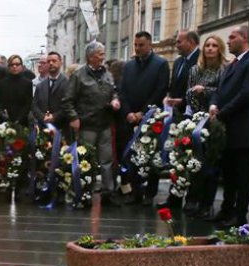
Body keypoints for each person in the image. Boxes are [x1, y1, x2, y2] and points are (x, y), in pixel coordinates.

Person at [209, 25, 249, 227]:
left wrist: (223, 113)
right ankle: (226, 209)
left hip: (242, 129)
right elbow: (219, 89)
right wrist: (214, 105)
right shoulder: (231, 65)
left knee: (242, 176)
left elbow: (248, 93)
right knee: (228, 174)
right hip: (227, 129)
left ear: (244, 38)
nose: (228, 41)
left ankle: (239, 214)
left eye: (232, 37)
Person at [62, 41, 122, 206]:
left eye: (103, 53)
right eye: (100, 54)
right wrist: (74, 118)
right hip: (87, 124)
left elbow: (114, 91)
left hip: (105, 123)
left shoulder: (107, 74)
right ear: (91, 56)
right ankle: (84, 192)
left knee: (107, 160)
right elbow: (67, 101)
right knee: (85, 159)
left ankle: (108, 192)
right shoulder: (78, 75)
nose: (103, 57)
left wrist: (115, 100)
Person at [119, 31, 170, 206]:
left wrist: (143, 112)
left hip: (151, 118)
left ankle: (150, 193)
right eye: (136, 45)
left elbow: (160, 90)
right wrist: (128, 113)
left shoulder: (161, 64)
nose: (138, 48)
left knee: (152, 156)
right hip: (131, 117)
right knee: (133, 156)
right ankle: (136, 192)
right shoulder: (129, 66)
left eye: (141, 45)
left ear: (150, 45)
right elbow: (122, 91)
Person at [184, 35, 228, 219]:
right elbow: (189, 92)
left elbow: (222, 93)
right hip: (196, 118)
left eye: (214, 45)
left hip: (215, 121)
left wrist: (206, 91)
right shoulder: (195, 69)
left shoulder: (224, 70)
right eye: (207, 45)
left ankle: (206, 203)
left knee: (211, 164)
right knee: (194, 162)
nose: (210, 48)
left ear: (220, 49)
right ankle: (192, 199)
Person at [164, 30, 201, 115]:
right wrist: (168, 97)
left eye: (179, 42)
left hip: (193, 114)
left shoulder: (201, 60)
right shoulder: (178, 62)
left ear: (190, 42)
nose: (176, 46)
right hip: (175, 112)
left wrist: (183, 101)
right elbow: (173, 86)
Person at [31, 52, 68, 132]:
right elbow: (34, 105)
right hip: (44, 128)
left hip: (62, 127)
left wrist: (54, 116)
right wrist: (42, 117)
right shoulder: (40, 86)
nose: (51, 63)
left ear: (60, 62)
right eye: (48, 61)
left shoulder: (68, 83)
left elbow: (68, 105)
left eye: (54, 61)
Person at [0, 54, 33, 126]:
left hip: (22, 122)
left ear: (21, 66)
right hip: (5, 122)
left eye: (17, 64)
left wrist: (19, 119)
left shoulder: (28, 83)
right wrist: (2, 113)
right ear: (8, 67)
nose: (14, 66)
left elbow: (28, 104)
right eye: (12, 64)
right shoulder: (2, 83)